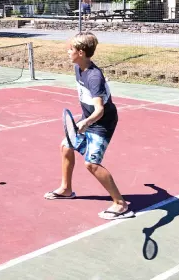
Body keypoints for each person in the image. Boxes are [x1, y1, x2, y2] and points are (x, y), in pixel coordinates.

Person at [44, 31, 134, 220]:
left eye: (71, 49)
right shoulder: (79, 68)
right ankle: (66, 189)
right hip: (89, 118)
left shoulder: (94, 77)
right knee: (66, 146)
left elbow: (99, 110)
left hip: (102, 123)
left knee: (91, 164)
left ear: (81, 53)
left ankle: (121, 204)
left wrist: (86, 122)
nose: (68, 52)